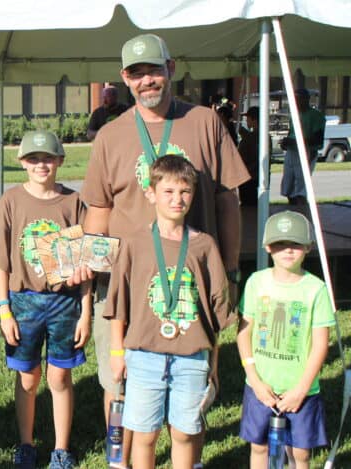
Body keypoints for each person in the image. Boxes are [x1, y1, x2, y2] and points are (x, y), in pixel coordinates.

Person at [76, 33, 249, 467]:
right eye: (136, 73)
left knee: (192, 397)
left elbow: (228, 200)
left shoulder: (206, 122)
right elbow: (98, 209)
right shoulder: (111, 136)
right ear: (124, 79)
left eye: (154, 69)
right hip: (127, 287)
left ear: (171, 68)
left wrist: (227, 269)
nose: (146, 80)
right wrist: (89, 277)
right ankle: (123, 460)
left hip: (190, 286)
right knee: (119, 387)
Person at [107, 155, 231, 469]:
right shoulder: (135, 243)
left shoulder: (204, 246)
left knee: (184, 433)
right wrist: (116, 352)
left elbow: (215, 315)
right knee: (144, 434)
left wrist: (212, 364)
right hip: (144, 354)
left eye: (185, 191)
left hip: (191, 357)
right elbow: (118, 303)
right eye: (169, 192)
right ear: (151, 193)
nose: (178, 199)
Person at [0, 130, 92, 469]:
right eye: (33, 159)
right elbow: (1, 263)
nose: (41, 165)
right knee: (28, 377)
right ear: (22, 162)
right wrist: (4, 309)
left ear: (60, 161)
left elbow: (86, 263)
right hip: (23, 301)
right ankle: (26, 443)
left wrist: (86, 312)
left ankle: (61, 449)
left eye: (48, 158)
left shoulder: (74, 202)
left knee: (60, 377)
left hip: (65, 302)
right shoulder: (11, 201)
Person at [236, 210, 333, 469]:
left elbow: (321, 344)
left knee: (300, 452)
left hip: (302, 390)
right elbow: (244, 332)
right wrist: (255, 380)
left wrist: (301, 389)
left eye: (296, 244)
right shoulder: (256, 282)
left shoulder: (316, 289)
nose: (288, 250)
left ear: (308, 247)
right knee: (260, 446)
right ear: (267, 246)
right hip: (261, 388)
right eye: (280, 244)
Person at [280, 88, 326, 206]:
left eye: (298, 99)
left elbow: (317, 139)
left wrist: (296, 142)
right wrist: (286, 142)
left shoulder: (316, 116)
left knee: (301, 186)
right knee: (288, 185)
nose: (296, 102)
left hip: (307, 152)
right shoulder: (294, 114)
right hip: (291, 152)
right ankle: (292, 208)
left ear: (306, 99)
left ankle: (302, 211)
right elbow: (291, 132)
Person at [237, 106, 265, 206]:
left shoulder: (259, 136)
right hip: (250, 177)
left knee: (249, 207)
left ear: (254, 119)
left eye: (248, 118)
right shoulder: (255, 135)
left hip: (251, 178)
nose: (246, 121)